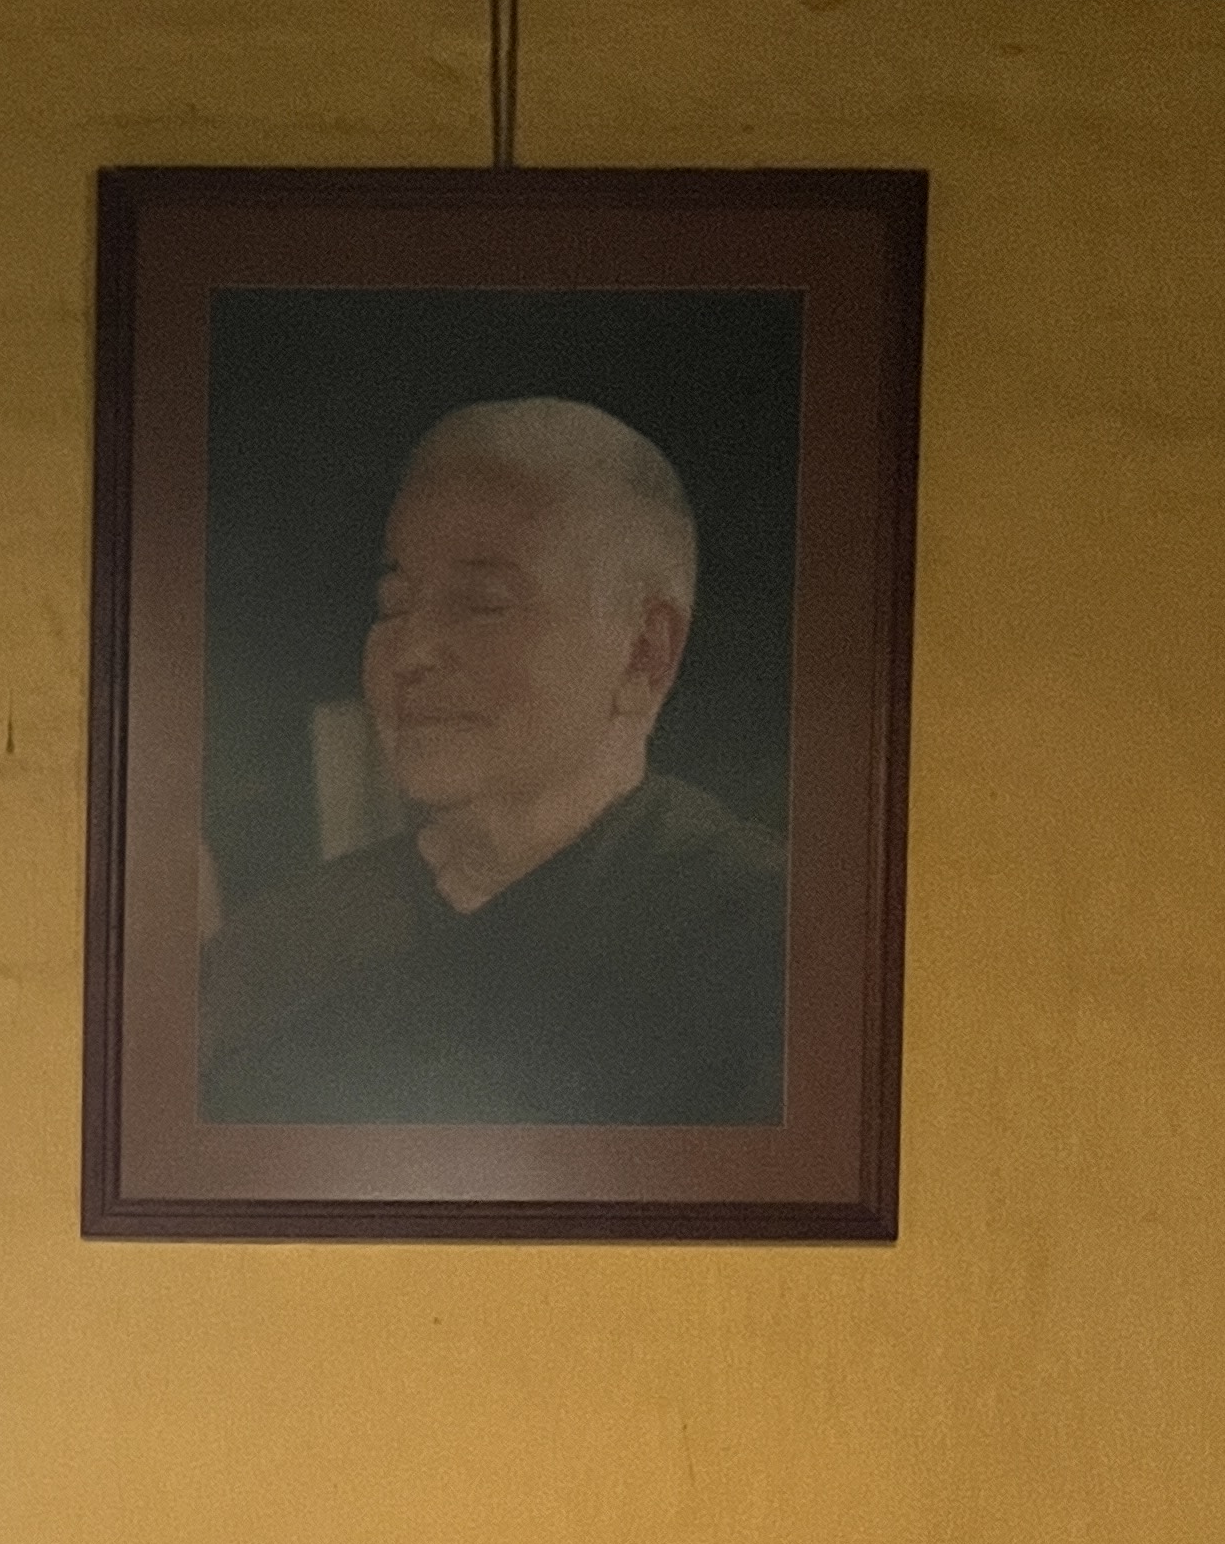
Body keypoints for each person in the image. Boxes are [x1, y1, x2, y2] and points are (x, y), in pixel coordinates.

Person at [200, 396, 788, 1126]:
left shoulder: (768, 944)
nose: (411, 653)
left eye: (483, 603)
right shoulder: (280, 953)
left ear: (644, 653)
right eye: (394, 604)